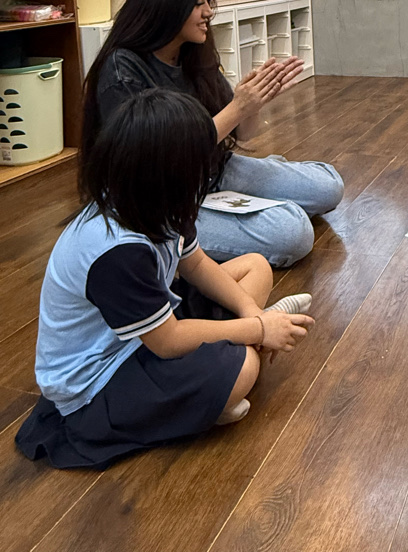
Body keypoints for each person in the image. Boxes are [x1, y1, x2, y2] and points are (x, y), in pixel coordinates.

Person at [16, 90, 315, 469]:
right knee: (244, 367)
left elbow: (197, 265)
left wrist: (253, 313)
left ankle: (206, 394)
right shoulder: (115, 251)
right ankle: (204, 402)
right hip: (98, 383)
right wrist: (258, 329)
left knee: (256, 266)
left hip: (143, 333)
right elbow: (168, 341)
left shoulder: (159, 203)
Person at [81, 0, 344, 268]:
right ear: (166, 6)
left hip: (211, 172)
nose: (208, 12)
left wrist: (252, 104)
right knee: (293, 232)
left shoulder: (193, 54)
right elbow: (159, 160)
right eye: (198, 3)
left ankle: (259, 197)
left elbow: (241, 134)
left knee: (329, 187)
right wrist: (237, 108)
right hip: (156, 199)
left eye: (208, 1)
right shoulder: (122, 70)